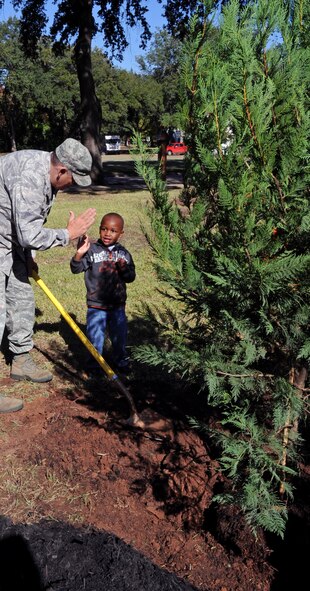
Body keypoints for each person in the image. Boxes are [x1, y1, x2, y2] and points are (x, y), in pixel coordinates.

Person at [0, 138, 97, 413]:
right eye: (73, 179)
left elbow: (25, 223)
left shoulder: (46, 171)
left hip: (10, 240)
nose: (73, 185)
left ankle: (20, 360)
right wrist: (69, 234)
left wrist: (28, 257)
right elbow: (29, 234)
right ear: (62, 170)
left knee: (22, 297)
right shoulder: (30, 176)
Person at [70, 212, 135, 376]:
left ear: (121, 233)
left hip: (117, 305)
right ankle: (94, 367)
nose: (107, 233)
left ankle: (121, 361)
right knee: (95, 338)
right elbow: (76, 269)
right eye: (104, 229)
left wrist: (124, 269)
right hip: (96, 305)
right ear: (99, 229)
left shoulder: (124, 254)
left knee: (119, 337)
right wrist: (79, 253)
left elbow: (130, 277)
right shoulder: (91, 250)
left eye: (113, 231)